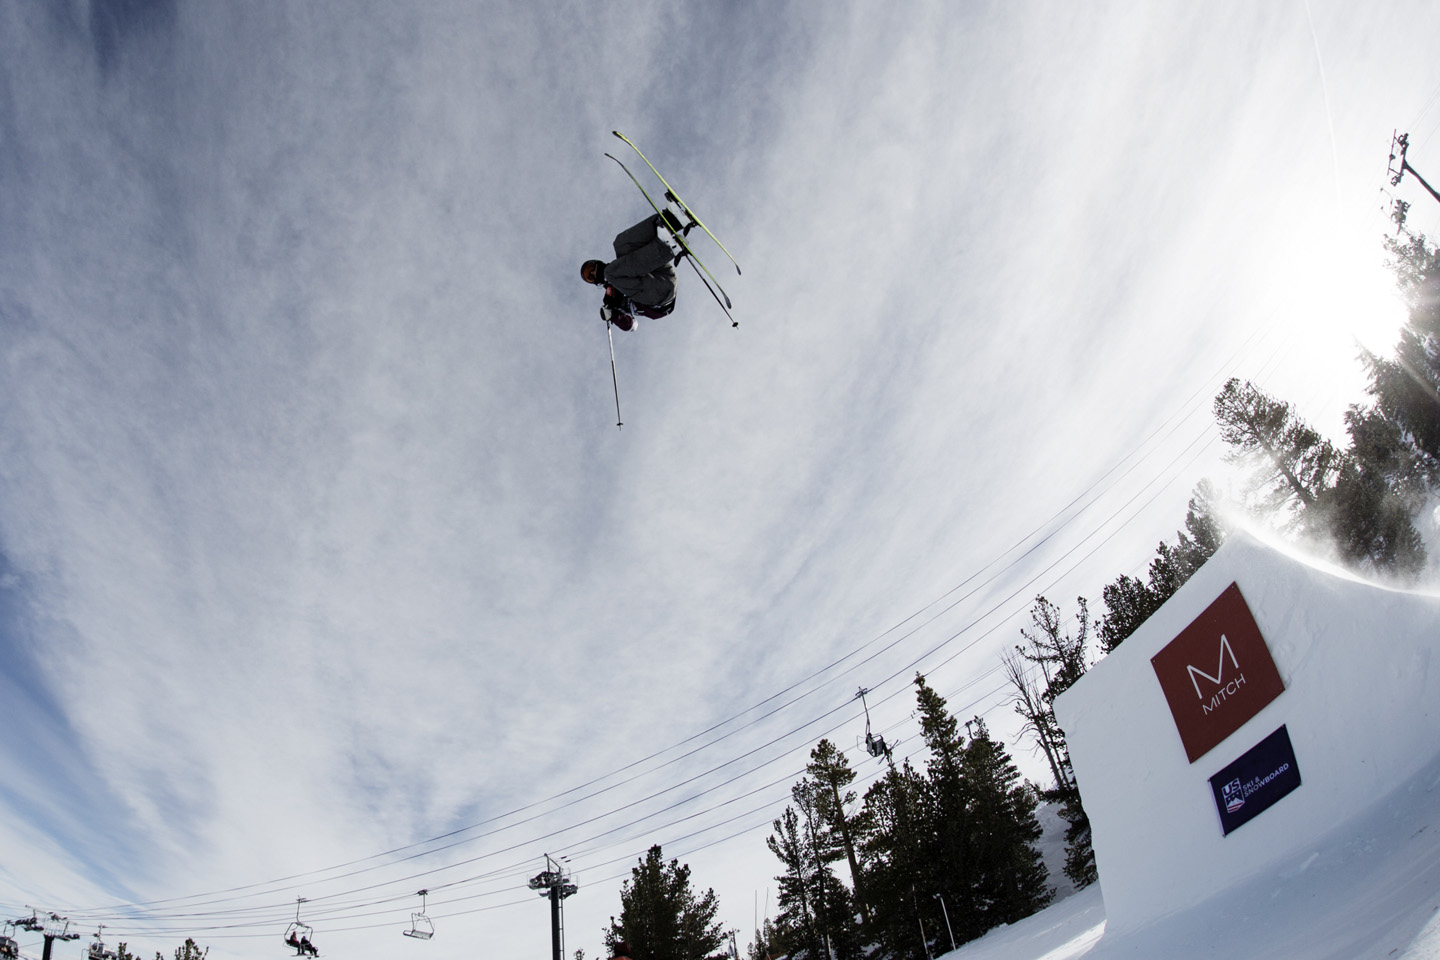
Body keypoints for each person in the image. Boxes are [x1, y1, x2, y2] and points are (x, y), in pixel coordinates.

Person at [581, 211, 686, 331]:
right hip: (659, 296)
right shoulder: (610, 299)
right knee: (611, 273)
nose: (592, 272)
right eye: (590, 277)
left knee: (621, 245)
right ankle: (667, 249)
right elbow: (631, 326)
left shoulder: (624, 266)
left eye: (590, 268)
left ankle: (673, 221)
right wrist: (613, 315)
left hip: (663, 274)